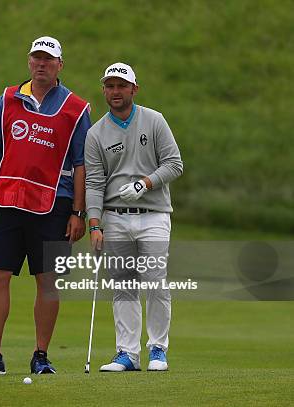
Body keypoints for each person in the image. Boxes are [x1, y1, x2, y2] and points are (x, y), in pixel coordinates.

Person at [0, 36, 92, 375]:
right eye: (36, 58)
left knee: (47, 280)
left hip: (56, 205)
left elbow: (81, 165)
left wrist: (79, 212)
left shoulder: (76, 109)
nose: (41, 64)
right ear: (29, 62)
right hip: (7, 201)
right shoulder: (8, 99)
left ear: (60, 65)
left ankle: (41, 355)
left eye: (48, 59)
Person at [84, 62, 183, 372]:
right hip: (114, 217)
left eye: (121, 86)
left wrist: (144, 184)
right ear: (104, 90)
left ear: (133, 89)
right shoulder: (96, 132)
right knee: (124, 285)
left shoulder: (154, 121)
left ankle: (157, 350)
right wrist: (95, 223)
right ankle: (127, 354)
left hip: (153, 214)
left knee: (155, 281)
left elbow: (174, 164)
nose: (115, 91)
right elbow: (94, 182)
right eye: (110, 86)